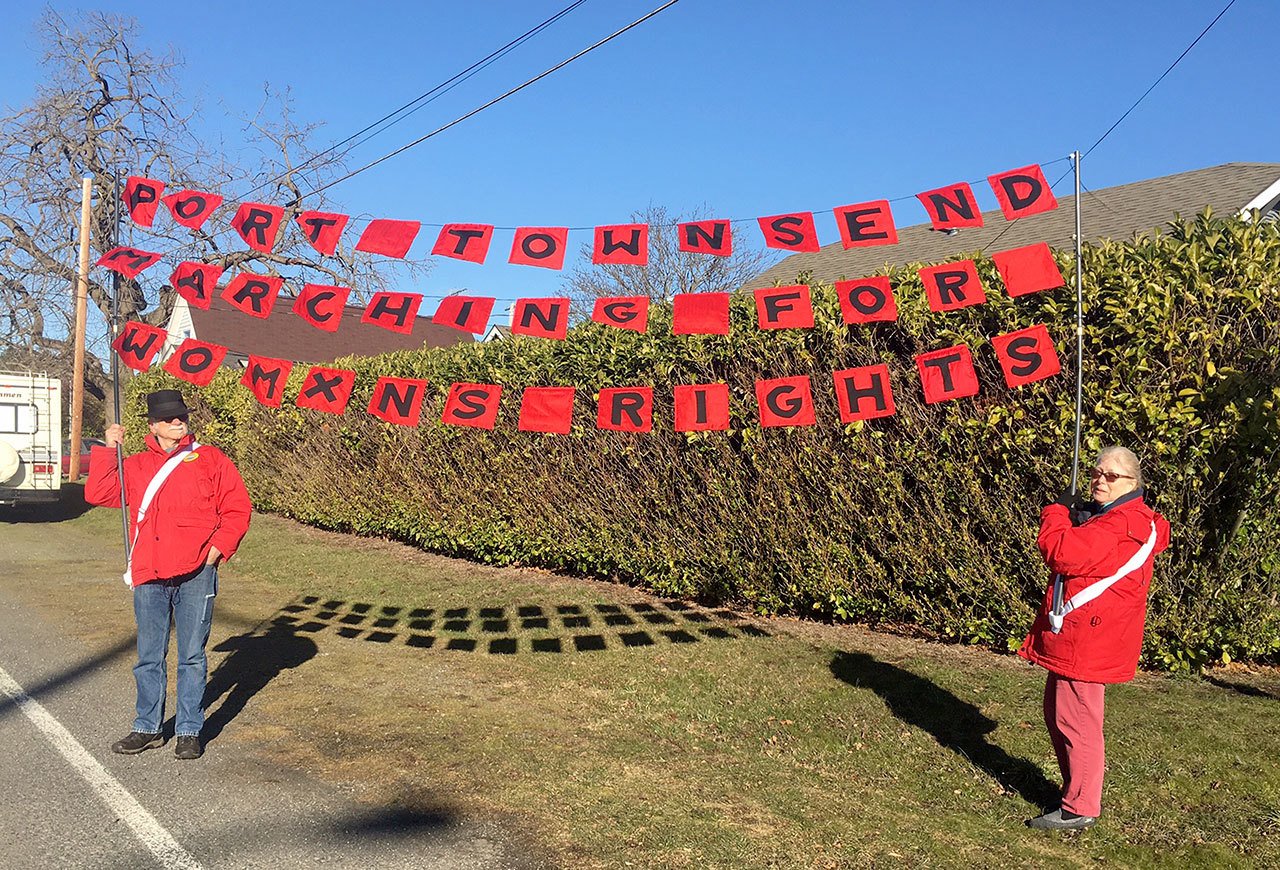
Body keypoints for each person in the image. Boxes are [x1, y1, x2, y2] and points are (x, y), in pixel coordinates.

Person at [85, 389, 252, 760]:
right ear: (153, 426)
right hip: (150, 570)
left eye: (181, 417)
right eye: (168, 419)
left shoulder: (211, 459)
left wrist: (217, 551)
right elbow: (98, 493)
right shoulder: (139, 465)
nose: (177, 423)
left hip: (197, 573)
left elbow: (237, 508)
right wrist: (107, 449)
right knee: (149, 655)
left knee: (192, 655)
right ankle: (146, 727)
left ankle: (189, 730)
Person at [1018, 446, 1170, 830]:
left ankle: (1080, 805)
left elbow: (1062, 552)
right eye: (1097, 472)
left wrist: (1056, 512)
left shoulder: (1121, 524)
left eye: (1112, 476)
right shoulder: (1124, 518)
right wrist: (1080, 515)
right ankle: (1076, 792)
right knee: (1061, 713)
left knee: (1077, 720)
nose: (1100, 480)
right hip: (1087, 633)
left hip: (1088, 636)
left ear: (1134, 483)